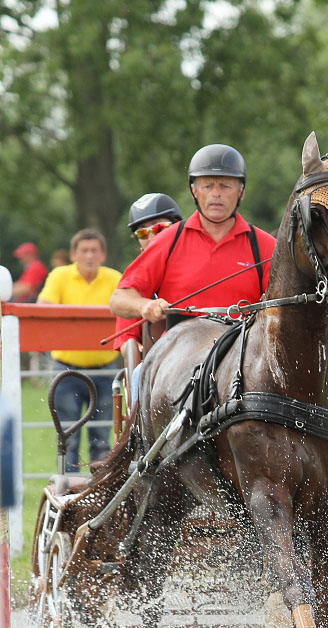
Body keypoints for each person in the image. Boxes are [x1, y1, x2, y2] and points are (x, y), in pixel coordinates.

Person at [110, 144, 277, 359]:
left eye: (225, 186)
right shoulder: (168, 241)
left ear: (241, 192)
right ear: (194, 191)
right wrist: (145, 305)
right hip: (179, 358)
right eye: (207, 186)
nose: (216, 194)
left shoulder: (264, 245)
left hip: (242, 357)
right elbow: (118, 300)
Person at [38, 228, 122, 472]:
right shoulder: (59, 276)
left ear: (103, 255)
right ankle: (68, 489)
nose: (89, 256)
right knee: (67, 436)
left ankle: (100, 489)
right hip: (66, 370)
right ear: (74, 254)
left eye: (94, 250)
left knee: (102, 438)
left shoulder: (114, 278)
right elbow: (44, 308)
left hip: (105, 371)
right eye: (84, 250)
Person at [113, 192, 184, 387]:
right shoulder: (136, 279)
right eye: (143, 233)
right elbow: (128, 341)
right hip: (159, 368)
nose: (152, 236)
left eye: (160, 227)